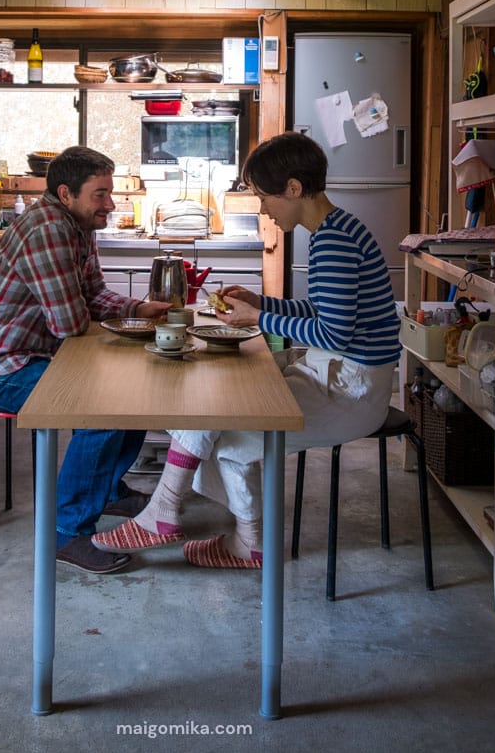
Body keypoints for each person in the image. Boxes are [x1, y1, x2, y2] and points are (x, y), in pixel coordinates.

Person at [93, 131, 401, 569]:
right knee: (217, 392)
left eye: (265, 199)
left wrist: (257, 320)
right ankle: (177, 515)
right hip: (339, 372)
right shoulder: (338, 228)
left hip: (351, 389)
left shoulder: (332, 241)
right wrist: (264, 304)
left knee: (231, 436)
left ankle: (238, 539)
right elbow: (323, 309)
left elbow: (332, 333)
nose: (264, 211)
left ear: (293, 188)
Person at [0, 146, 170, 574]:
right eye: (101, 194)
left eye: (111, 193)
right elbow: (71, 323)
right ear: (66, 193)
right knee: (100, 409)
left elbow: (93, 293)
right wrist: (107, 316)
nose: (110, 204)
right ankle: (66, 534)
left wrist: (137, 310)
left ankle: (106, 491)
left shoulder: (78, 223)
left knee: (131, 390)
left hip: (35, 356)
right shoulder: (47, 229)